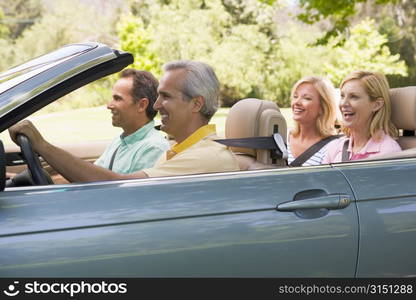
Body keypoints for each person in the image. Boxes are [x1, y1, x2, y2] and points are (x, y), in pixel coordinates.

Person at [9, 60, 240, 183]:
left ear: (196, 104)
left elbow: (118, 185)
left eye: (166, 97)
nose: (157, 105)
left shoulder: (206, 157)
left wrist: (42, 145)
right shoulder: (179, 151)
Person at [94, 68, 169, 173]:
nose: (109, 105)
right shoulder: (119, 141)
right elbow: (94, 176)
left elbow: (135, 189)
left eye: (117, 99)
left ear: (142, 105)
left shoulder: (153, 149)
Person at [323, 70, 401, 163]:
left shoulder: (388, 152)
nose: (343, 103)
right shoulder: (335, 147)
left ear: (377, 105)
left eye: (354, 97)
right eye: (342, 96)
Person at [287, 76, 338, 166]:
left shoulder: (332, 147)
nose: (296, 102)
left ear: (323, 107)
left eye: (306, 98)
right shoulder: (281, 138)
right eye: (295, 96)